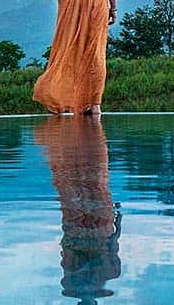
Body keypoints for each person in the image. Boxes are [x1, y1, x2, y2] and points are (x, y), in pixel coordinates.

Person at [35, 115, 122, 303]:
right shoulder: (108, 274)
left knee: (87, 182)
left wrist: (117, 220)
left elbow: (68, 246)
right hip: (90, 222)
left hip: (84, 223)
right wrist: (118, 220)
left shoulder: (70, 284)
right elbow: (112, 243)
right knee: (86, 182)